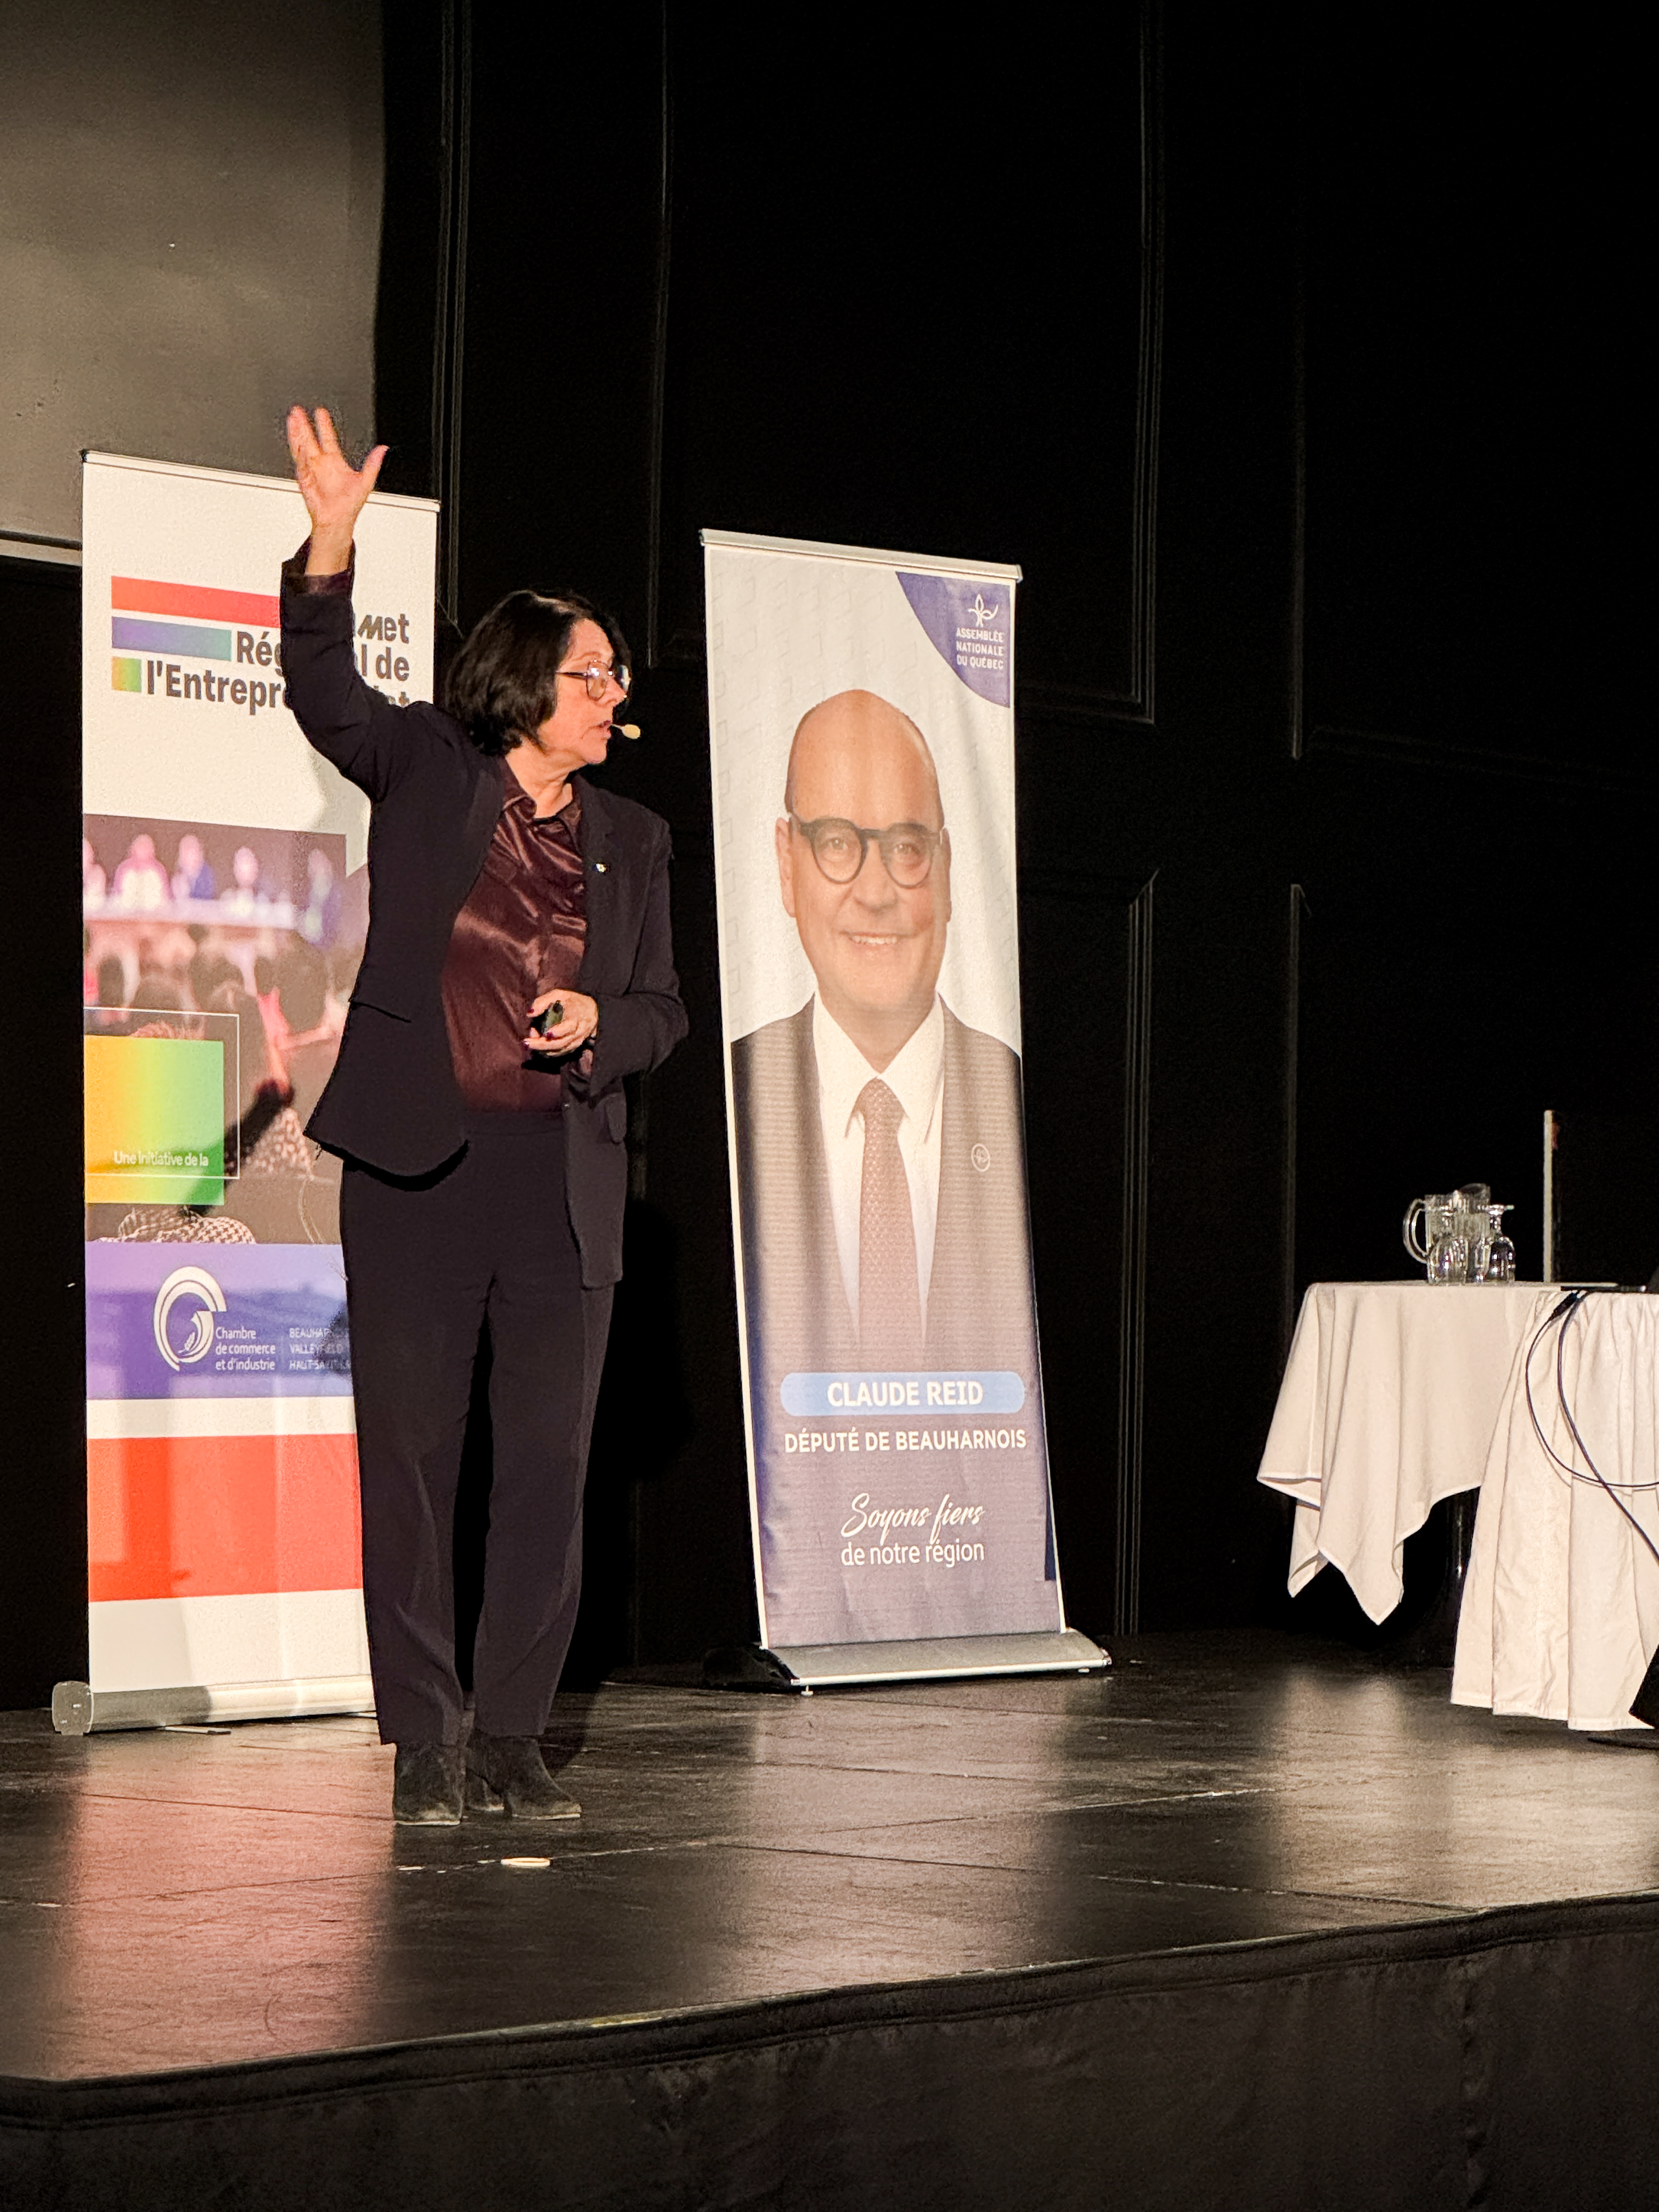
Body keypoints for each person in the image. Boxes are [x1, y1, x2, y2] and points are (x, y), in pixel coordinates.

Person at [281, 405, 687, 1825]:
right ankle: (424, 1747)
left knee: (546, 1470)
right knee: (409, 1458)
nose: (613, 690)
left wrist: (602, 1027)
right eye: (591, 671)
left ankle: (512, 1739)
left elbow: (666, 1014)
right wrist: (329, 549)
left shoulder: (635, 841)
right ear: (524, 684)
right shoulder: (429, 773)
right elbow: (324, 695)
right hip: (418, 1172)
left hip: (557, 1184)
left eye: (618, 674)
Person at [729, 689, 1051, 1646]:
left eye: (906, 847)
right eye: (837, 842)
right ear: (786, 865)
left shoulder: (1023, 1092)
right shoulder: (735, 1098)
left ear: (947, 871)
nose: (875, 889)